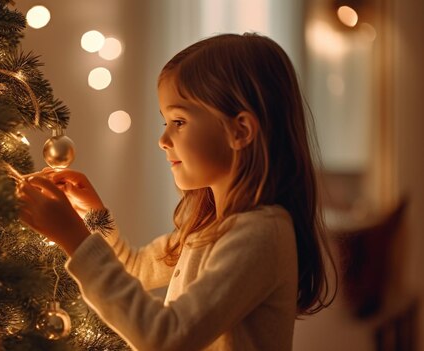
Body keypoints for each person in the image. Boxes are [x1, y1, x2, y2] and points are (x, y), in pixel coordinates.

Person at [16, 33, 335, 351]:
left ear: (240, 131)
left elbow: (167, 337)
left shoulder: (261, 234)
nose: (163, 139)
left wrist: (75, 240)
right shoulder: (208, 227)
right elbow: (136, 269)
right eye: (165, 121)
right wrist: (94, 215)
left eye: (179, 121)